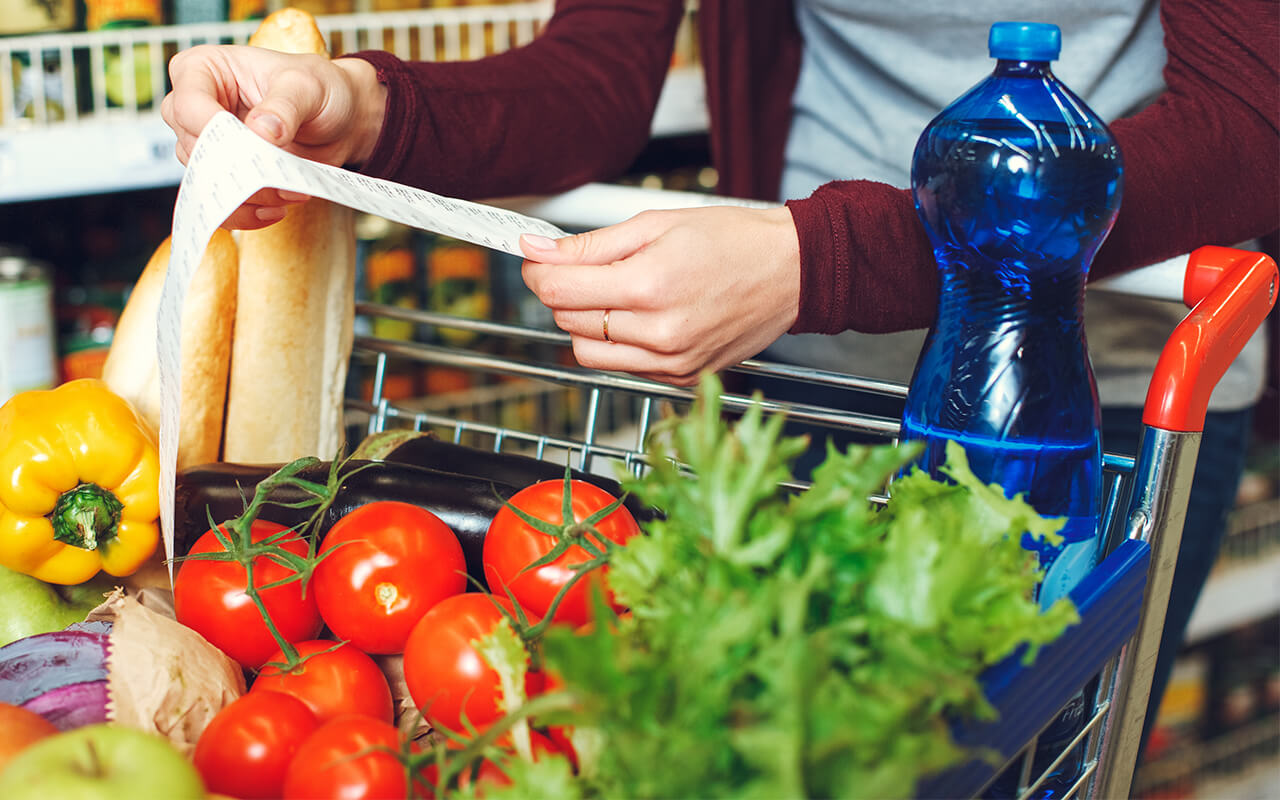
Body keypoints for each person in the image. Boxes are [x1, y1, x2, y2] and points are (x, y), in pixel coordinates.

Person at [162, 0, 1278, 759]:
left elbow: (1246, 123)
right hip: (803, 388)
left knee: (1020, 760)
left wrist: (824, 259)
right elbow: (594, 73)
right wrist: (361, 106)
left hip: (1087, 400)